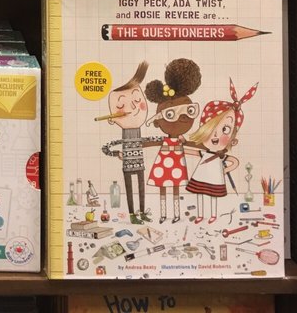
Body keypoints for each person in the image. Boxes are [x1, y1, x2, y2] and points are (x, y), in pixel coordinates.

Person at [185, 80, 258, 223]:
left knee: (213, 195)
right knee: (199, 194)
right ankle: (200, 215)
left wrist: (223, 171)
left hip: (214, 178)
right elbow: (191, 152)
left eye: (225, 129)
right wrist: (179, 147)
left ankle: (213, 215)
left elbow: (234, 162)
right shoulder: (206, 152)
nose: (216, 136)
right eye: (212, 129)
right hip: (201, 176)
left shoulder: (221, 155)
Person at [100, 62, 161, 224]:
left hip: (140, 164)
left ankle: (142, 212)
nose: (133, 107)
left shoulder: (138, 135)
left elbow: (149, 140)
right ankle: (132, 215)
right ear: (112, 119)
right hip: (127, 165)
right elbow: (105, 148)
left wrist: (165, 140)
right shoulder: (122, 138)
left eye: (137, 99)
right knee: (129, 190)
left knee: (141, 189)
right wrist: (117, 153)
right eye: (121, 105)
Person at [145, 58, 202, 223]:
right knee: (163, 188)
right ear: (157, 121)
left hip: (176, 163)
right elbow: (150, 142)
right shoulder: (164, 139)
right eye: (170, 115)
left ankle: (176, 215)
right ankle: (163, 214)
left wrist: (210, 147)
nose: (182, 117)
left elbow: (194, 144)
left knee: (176, 188)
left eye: (189, 111)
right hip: (163, 163)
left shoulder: (181, 140)